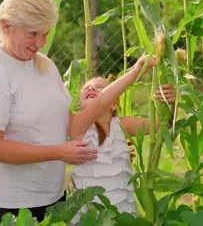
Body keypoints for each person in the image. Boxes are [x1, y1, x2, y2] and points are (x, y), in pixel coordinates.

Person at [0, 0, 158, 223]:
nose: (40, 42)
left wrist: (111, 148)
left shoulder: (44, 65)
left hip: (53, 197)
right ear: (7, 26)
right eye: (32, 34)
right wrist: (58, 153)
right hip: (10, 204)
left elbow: (73, 122)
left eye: (46, 33)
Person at [68, 75, 176, 223]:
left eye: (100, 87)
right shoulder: (77, 127)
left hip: (121, 204)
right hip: (86, 211)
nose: (91, 87)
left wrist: (171, 102)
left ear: (114, 104)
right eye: (86, 87)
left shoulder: (122, 125)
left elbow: (163, 123)